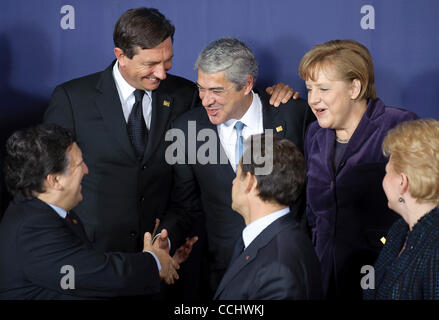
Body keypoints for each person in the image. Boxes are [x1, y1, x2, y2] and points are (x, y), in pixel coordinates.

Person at [43, 7, 296, 255]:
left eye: (168, 61)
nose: (162, 73)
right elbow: (45, 181)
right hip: (92, 253)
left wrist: (274, 94)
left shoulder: (185, 95)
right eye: (151, 64)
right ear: (120, 55)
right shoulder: (72, 100)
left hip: (162, 259)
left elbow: (233, 100)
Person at [159, 37, 315, 298]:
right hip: (221, 274)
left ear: (247, 84)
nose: (205, 100)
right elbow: (185, 207)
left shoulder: (293, 115)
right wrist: (166, 240)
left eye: (216, 91)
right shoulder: (187, 129)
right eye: (201, 88)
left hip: (287, 265)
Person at [0, 124, 180, 299]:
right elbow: (101, 275)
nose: (86, 170)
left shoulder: (47, 214)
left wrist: (163, 262)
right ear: (54, 180)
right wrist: (154, 262)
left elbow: (87, 274)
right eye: (79, 165)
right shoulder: (32, 229)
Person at [298, 39, 419, 299]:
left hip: (381, 276)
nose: (313, 99)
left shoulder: (398, 125)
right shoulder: (314, 134)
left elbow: (421, 209)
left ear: (355, 87)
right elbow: (313, 214)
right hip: (323, 277)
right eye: (309, 89)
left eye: (324, 88)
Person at [214, 134, 322, 300]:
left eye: (238, 174)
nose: (233, 182)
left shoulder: (278, 271)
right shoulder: (283, 237)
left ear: (250, 182)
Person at [364, 119, 439, 300]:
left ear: (402, 182)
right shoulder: (399, 230)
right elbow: (370, 285)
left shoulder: (436, 248)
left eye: (387, 171)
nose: (384, 179)